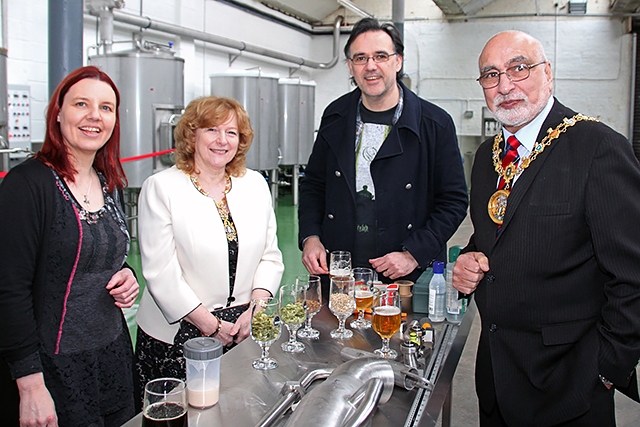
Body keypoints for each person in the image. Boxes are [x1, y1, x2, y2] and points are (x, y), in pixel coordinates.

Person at [453, 30, 640, 426]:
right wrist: (470, 256)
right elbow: (497, 235)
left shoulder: (596, 147)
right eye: (490, 75)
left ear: (548, 73)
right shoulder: (487, 156)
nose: (505, 85)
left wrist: (605, 368)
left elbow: (633, 274)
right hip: (496, 378)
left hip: (569, 387)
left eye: (518, 68)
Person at [0, 66, 139, 426]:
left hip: (111, 355)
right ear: (58, 113)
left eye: (106, 108)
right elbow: (9, 289)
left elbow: (100, 252)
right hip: (52, 367)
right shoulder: (28, 185)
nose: (95, 115)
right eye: (82, 104)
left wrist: (126, 274)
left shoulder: (109, 181)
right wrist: (30, 385)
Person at [298, 17, 468, 290]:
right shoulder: (335, 116)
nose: (371, 66)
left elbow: (454, 200)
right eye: (361, 58)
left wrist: (413, 253)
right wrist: (310, 237)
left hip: (404, 275)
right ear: (350, 66)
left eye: (380, 56)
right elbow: (314, 185)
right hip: (339, 270)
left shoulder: (434, 124)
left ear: (397, 61)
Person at [134, 96, 284, 403]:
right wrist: (211, 325)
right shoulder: (162, 187)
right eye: (212, 130)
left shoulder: (254, 184)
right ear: (192, 135)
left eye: (232, 133)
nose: (222, 140)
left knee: (242, 410)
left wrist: (257, 307)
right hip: (179, 333)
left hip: (245, 326)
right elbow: (161, 272)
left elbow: (270, 255)